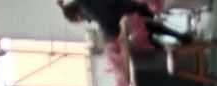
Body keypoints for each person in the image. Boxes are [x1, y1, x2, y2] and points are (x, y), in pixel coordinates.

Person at [57, 0, 190, 45]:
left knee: (141, 29)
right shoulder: (87, 4)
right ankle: (180, 37)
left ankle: (181, 40)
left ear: (77, 16)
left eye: (81, 21)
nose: (86, 21)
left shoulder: (89, 10)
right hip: (132, 6)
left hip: (133, 9)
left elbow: (110, 27)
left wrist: (108, 39)